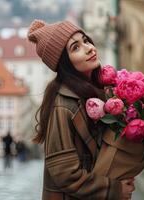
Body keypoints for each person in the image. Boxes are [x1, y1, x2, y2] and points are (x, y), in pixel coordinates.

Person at [28, 20, 135, 200]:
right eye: (75, 48)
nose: (89, 48)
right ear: (64, 63)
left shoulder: (96, 91)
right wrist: (114, 190)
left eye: (85, 40)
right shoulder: (62, 106)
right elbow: (65, 175)